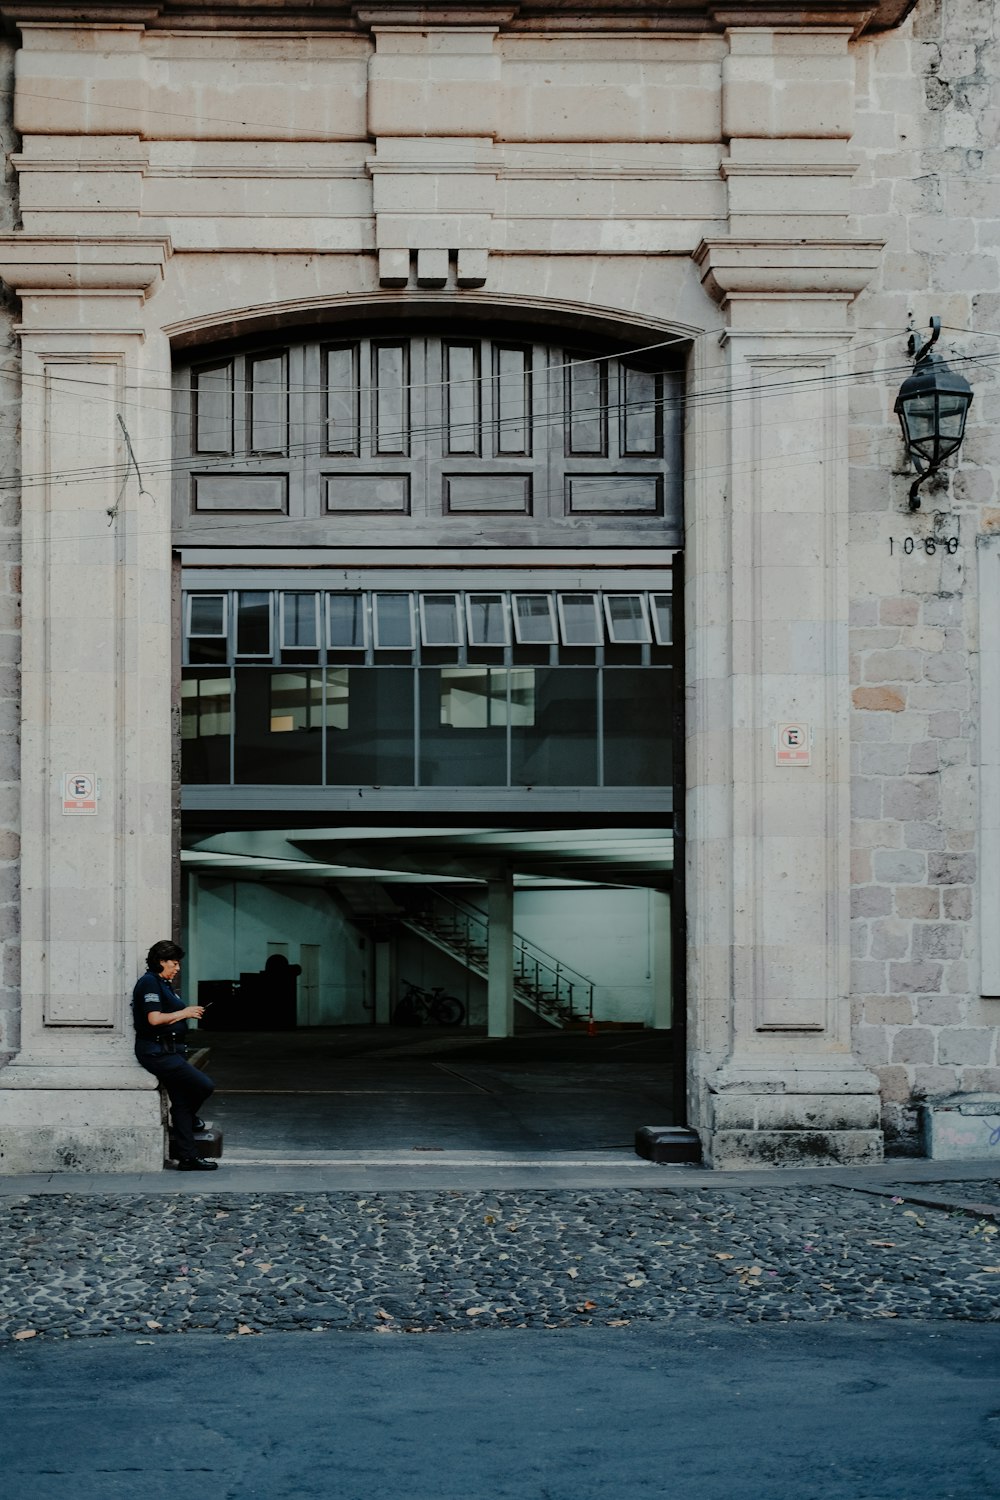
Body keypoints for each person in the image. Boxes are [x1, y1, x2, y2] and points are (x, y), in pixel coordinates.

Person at [132, 939, 219, 1172]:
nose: (178, 967)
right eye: (174, 963)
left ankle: (188, 1158)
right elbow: (154, 1019)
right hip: (157, 1052)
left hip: (170, 1050)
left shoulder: (163, 983)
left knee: (181, 1101)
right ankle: (187, 1119)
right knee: (203, 1086)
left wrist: (184, 1012)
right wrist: (185, 1012)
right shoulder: (150, 983)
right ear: (161, 961)